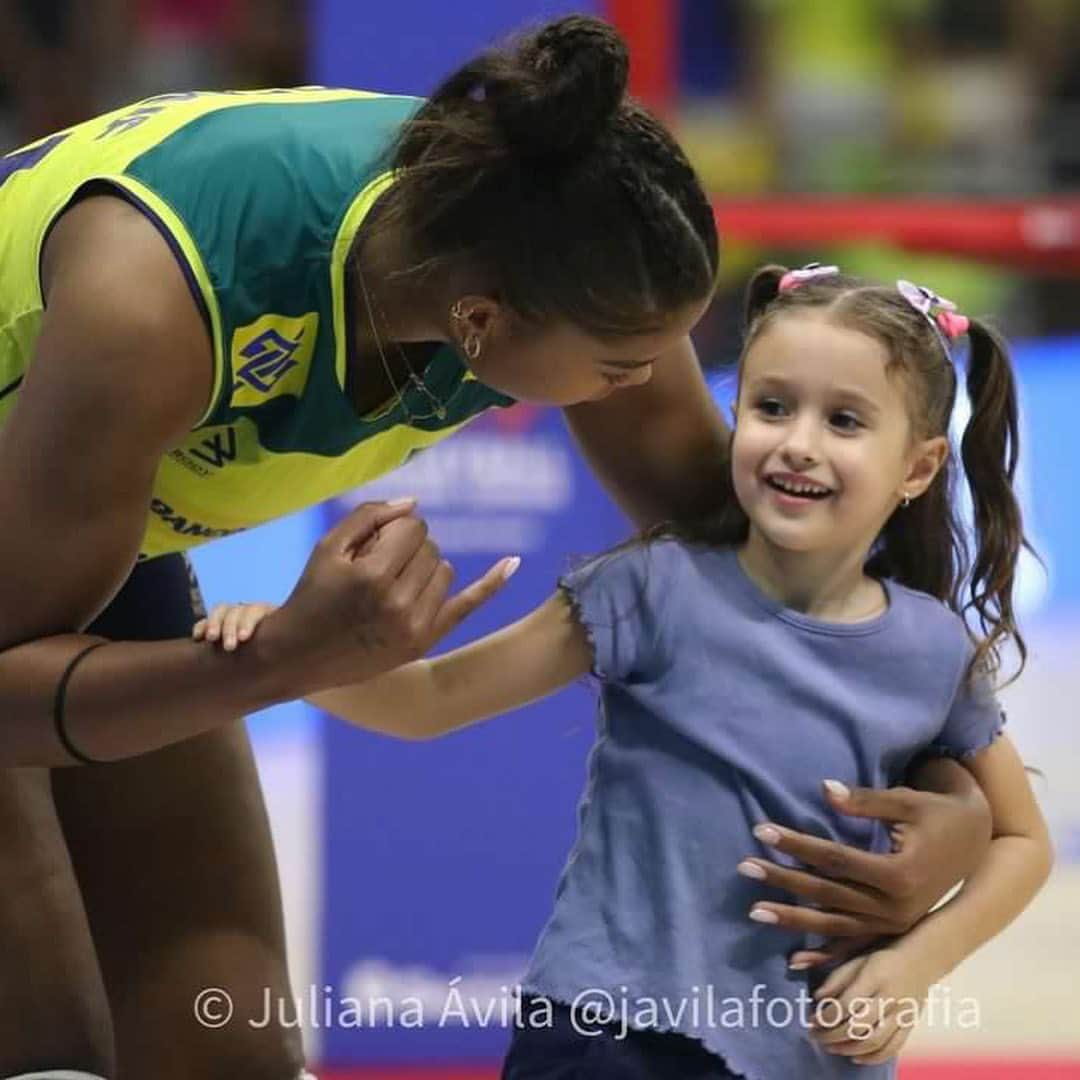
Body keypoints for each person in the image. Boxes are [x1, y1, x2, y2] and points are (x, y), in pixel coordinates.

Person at [0, 11, 988, 1077]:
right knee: (54, 1056)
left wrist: (959, 805)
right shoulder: (151, 304)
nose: (657, 385)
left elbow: (790, 568)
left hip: (78, 546)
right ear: (480, 328)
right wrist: (287, 661)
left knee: (227, 1049)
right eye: (624, 365)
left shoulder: (545, 238)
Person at [201, 262, 1053, 1078]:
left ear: (919, 466)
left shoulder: (933, 651)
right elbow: (430, 701)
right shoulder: (651, 584)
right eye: (771, 406)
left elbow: (1023, 841)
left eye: (844, 422)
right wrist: (285, 650)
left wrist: (918, 962)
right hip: (602, 1034)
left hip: (811, 1051)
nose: (796, 444)